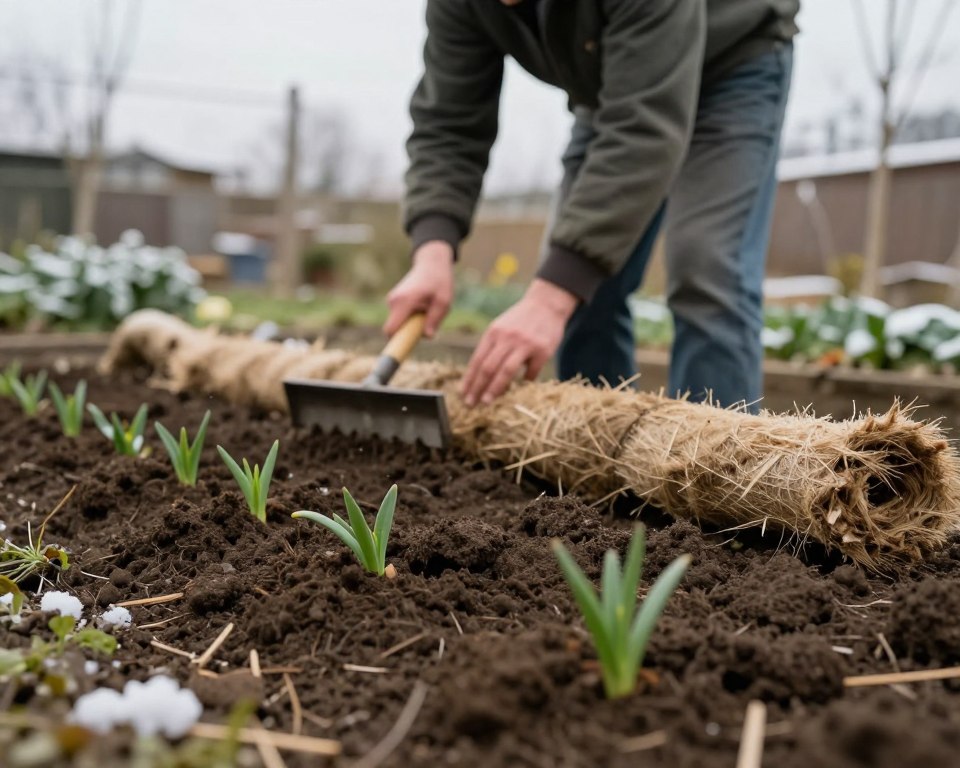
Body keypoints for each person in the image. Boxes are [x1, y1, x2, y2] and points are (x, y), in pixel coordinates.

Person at [385, 0, 799, 409]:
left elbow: (643, 132)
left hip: (730, 64)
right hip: (615, 82)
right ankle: (601, 466)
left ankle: (717, 469)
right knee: (582, 288)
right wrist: (432, 250)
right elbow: (449, 123)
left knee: (707, 268)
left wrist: (549, 299)